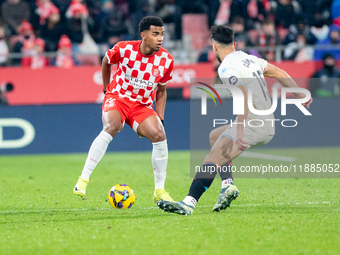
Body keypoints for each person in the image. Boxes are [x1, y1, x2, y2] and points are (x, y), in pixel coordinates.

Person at [158, 25, 312, 215]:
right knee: (215, 136)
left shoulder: (226, 68)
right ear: (235, 44)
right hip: (266, 122)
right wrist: (300, 93)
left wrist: (239, 130)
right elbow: (280, 72)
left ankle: (189, 204)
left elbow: (242, 94)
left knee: (212, 159)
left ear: (214, 47)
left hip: (253, 125)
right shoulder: (250, 59)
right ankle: (227, 185)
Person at [73, 16, 175, 204]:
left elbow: (161, 91)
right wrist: (106, 90)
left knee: (160, 135)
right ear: (143, 35)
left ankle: (159, 191)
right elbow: (106, 61)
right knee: (112, 126)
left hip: (142, 106)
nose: (160, 38)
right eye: (155, 34)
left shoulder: (166, 60)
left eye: (162, 34)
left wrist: (160, 119)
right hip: (118, 98)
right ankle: (83, 179)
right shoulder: (124, 48)